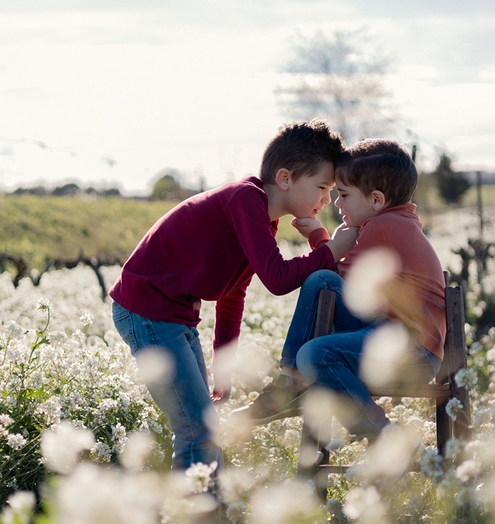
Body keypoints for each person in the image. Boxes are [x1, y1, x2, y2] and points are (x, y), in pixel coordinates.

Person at [109, 120, 359, 472]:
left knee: (204, 427)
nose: (327, 199)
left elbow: (233, 294)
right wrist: (330, 250)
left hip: (171, 316)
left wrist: (222, 366)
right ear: (285, 178)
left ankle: (211, 504)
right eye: (321, 186)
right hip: (147, 311)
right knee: (196, 429)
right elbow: (277, 278)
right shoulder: (246, 199)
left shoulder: (260, 216)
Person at [231, 139, 446, 441]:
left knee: (315, 355)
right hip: (397, 339)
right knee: (320, 282)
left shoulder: (383, 227)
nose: (336, 202)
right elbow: (334, 284)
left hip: (412, 354)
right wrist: (331, 244)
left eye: (343, 194)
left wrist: (321, 239)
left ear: (376, 200)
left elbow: (342, 281)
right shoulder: (393, 223)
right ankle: (290, 384)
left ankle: (382, 435)